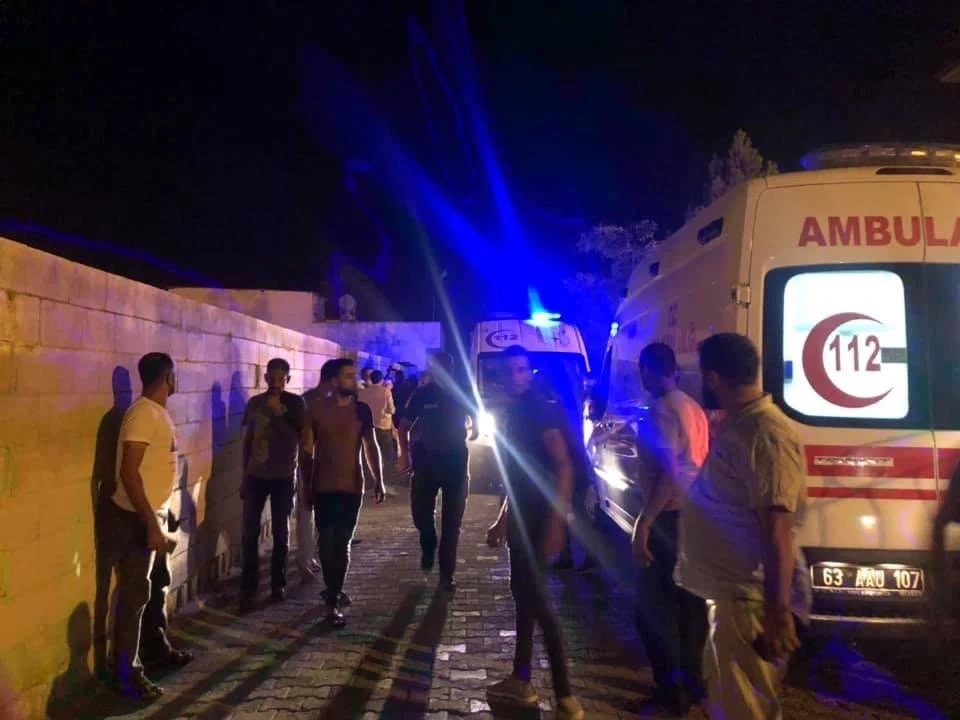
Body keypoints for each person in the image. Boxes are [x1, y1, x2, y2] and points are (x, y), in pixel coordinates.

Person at [675, 333, 811, 720]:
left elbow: (778, 532)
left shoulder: (765, 434)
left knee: (746, 710)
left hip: (750, 603)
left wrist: (777, 613)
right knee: (731, 704)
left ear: (714, 378)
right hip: (736, 600)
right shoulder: (743, 426)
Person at [485, 345, 584, 720]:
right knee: (523, 596)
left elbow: (564, 466)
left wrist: (557, 524)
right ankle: (521, 678)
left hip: (541, 520)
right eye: (510, 370)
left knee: (539, 602)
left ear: (530, 373)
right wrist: (502, 519)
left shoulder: (540, 409)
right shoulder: (512, 412)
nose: (516, 376)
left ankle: (566, 697)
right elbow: (516, 476)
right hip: (522, 518)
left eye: (521, 369)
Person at [630, 343, 710, 715]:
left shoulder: (661, 410)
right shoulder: (692, 407)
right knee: (689, 608)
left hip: (668, 518)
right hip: (695, 516)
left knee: (651, 610)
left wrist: (644, 522)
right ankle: (693, 686)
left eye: (642, 372)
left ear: (648, 371)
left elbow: (667, 472)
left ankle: (669, 689)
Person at [98, 352, 179, 700]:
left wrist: (164, 512)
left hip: (150, 515)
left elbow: (153, 469)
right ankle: (127, 675)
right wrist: (150, 523)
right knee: (133, 596)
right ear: (168, 377)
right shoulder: (143, 414)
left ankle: (153, 651)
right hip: (134, 519)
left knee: (153, 588)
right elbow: (129, 474)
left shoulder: (155, 413)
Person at [304, 358, 386, 627]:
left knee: (341, 543)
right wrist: (306, 487)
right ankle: (332, 591)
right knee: (327, 543)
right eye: (348, 376)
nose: (354, 380)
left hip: (352, 486)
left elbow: (370, 446)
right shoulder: (316, 410)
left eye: (354, 375)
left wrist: (379, 480)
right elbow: (306, 452)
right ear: (335, 381)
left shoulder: (362, 411)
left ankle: (333, 596)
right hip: (323, 486)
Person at [397, 351, 476, 591]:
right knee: (421, 516)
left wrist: (475, 429)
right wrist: (404, 454)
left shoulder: (462, 391)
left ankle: (446, 575)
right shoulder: (422, 394)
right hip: (426, 463)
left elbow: (476, 414)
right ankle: (428, 542)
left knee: (452, 523)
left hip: (455, 463)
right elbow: (403, 426)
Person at [239, 358, 310, 611]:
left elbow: (300, 437)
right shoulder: (255, 403)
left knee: (281, 532)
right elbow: (248, 441)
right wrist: (244, 475)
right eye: (272, 378)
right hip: (255, 476)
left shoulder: (296, 404)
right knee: (249, 534)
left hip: (283, 476)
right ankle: (248, 587)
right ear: (265, 378)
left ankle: (278, 585)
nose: (276, 383)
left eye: (282, 379)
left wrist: (279, 413)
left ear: (288, 380)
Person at [296, 360, 340, 583]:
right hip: (309, 462)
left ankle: (309, 556)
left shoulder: (325, 400)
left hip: (325, 462)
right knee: (306, 511)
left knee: (317, 512)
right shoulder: (309, 401)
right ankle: (303, 560)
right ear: (332, 380)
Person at [359, 370, 397, 495]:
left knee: (368, 456)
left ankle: (369, 484)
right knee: (387, 455)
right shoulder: (385, 392)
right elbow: (391, 409)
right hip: (383, 427)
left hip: (367, 428)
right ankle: (384, 483)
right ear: (381, 380)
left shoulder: (362, 393)